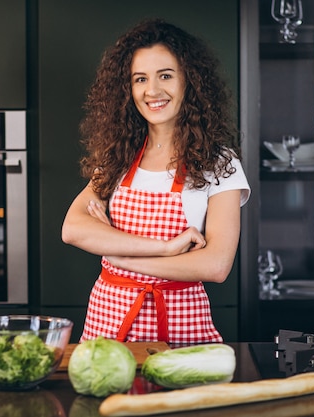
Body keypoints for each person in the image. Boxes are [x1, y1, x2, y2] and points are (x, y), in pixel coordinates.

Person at [61, 18, 250, 345]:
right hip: (108, 326)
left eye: (165, 75)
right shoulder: (118, 156)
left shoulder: (219, 163)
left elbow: (216, 264)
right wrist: (165, 249)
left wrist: (118, 254)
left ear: (189, 81)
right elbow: (73, 229)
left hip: (181, 330)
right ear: (128, 88)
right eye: (140, 79)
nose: (152, 91)